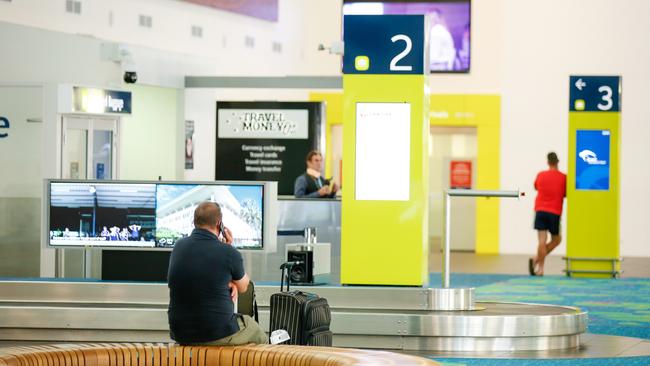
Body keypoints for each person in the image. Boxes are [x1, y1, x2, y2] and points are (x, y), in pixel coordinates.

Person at [167, 201, 267, 345]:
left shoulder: (179, 246)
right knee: (256, 330)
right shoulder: (228, 252)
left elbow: (204, 274)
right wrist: (228, 246)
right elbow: (244, 286)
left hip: (180, 334)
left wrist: (229, 281)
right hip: (215, 333)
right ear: (219, 224)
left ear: (194, 222)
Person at [529, 152, 567, 276]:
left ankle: (540, 268)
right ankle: (536, 259)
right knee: (557, 239)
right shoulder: (563, 177)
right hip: (554, 212)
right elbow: (566, 193)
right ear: (558, 162)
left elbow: (536, 187)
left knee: (541, 240)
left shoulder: (541, 175)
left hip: (540, 210)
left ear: (548, 162)